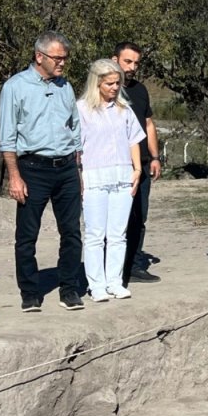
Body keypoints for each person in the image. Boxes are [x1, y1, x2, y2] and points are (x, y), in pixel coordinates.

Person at [0, 31, 85, 312]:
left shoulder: (66, 87)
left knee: (71, 232)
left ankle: (69, 289)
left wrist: (78, 171)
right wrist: (14, 176)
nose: (62, 63)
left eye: (64, 58)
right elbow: (7, 136)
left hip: (66, 168)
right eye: (57, 58)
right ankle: (30, 292)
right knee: (27, 236)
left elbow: (75, 130)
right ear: (39, 56)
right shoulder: (15, 87)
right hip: (32, 168)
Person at [77, 59, 146, 301]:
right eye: (110, 83)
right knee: (95, 234)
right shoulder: (81, 110)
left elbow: (134, 139)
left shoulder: (124, 110)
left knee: (118, 234)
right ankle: (96, 284)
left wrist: (137, 169)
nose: (115, 88)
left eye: (118, 83)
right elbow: (76, 146)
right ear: (97, 83)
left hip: (122, 177)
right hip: (94, 177)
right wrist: (78, 176)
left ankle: (115, 281)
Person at [112, 42, 163, 285]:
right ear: (115, 60)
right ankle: (111, 268)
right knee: (115, 219)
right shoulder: (106, 90)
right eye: (127, 62)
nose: (132, 67)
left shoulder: (140, 90)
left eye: (135, 63)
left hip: (141, 164)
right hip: (117, 165)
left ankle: (134, 264)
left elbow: (149, 124)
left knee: (138, 217)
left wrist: (154, 157)